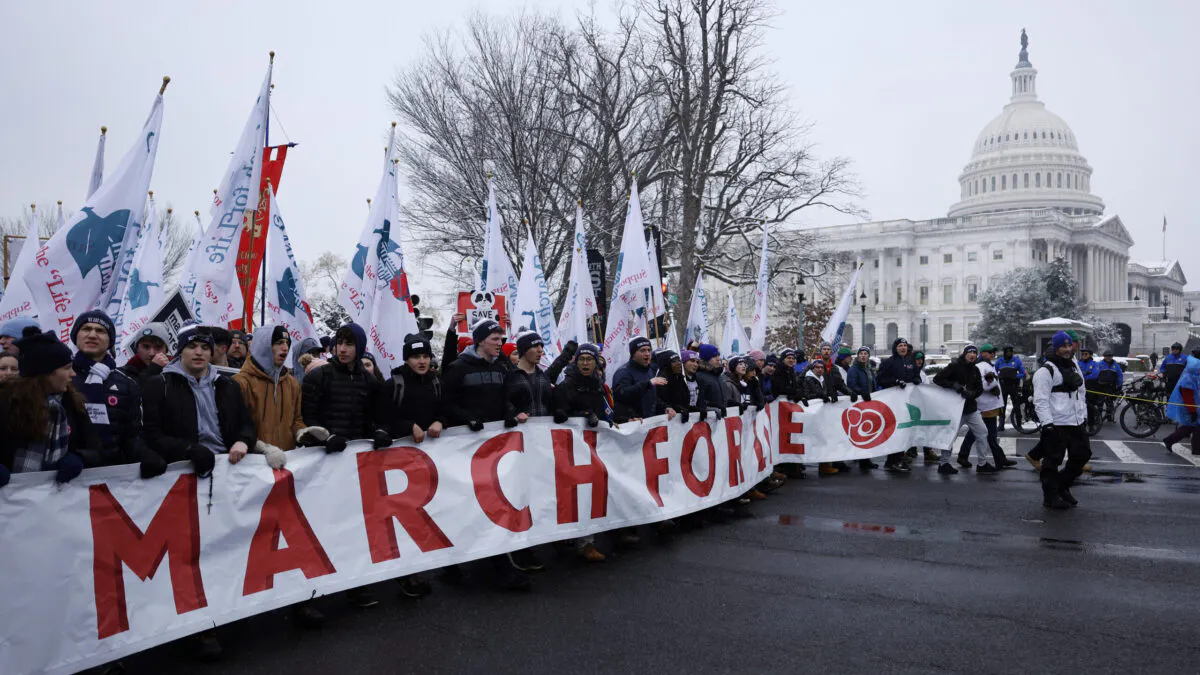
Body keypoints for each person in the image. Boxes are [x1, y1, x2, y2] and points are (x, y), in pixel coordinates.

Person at [138, 325, 257, 659]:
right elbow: (150, 434)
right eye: (192, 347)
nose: (200, 352)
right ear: (181, 351)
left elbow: (246, 423)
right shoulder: (159, 385)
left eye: (205, 347)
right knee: (191, 555)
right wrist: (187, 449)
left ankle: (227, 609)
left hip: (226, 473)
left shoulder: (227, 385)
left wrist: (243, 441)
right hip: (185, 477)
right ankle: (201, 626)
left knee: (227, 546)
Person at [233, 324, 331, 627]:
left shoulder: (292, 384)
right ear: (263, 345)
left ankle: (301, 600)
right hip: (252, 471)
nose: (284, 348)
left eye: (287, 343)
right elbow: (235, 428)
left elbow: (295, 421)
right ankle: (240, 608)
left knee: (293, 538)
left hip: (285, 469)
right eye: (277, 343)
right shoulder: (240, 382)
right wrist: (261, 448)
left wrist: (304, 433)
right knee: (251, 542)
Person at [443, 319, 533, 589]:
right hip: (465, 449)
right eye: (495, 338)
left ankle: (497, 564)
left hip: (494, 447)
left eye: (501, 339)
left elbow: (504, 398)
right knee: (467, 505)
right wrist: (467, 419)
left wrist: (509, 414)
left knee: (492, 503)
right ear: (480, 340)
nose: (500, 343)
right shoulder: (458, 368)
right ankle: (453, 565)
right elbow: (446, 402)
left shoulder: (501, 367)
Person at [374, 333, 445, 597]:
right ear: (407, 359)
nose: (422, 361)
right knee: (404, 518)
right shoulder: (394, 385)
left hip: (429, 462)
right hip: (398, 464)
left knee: (429, 515)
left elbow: (445, 409)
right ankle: (406, 574)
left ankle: (424, 567)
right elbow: (380, 420)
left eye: (425, 356)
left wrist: (441, 421)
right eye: (416, 357)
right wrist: (407, 427)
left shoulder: (436, 382)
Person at [0, 331, 100, 488]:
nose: (73, 374)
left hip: (55, 497)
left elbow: (94, 447)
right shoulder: (6, 402)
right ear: (46, 373)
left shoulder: (72, 403)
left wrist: (79, 458)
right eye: (67, 368)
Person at [552, 343, 612, 561]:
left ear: (596, 362)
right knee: (570, 494)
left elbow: (606, 413)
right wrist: (582, 415)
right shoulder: (566, 386)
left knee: (590, 493)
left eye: (589, 359)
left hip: (593, 449)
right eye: (582, 359)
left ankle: (587, 542)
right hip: (570, 450)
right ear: (576, 362)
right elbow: (558, 414)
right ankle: (562, 537)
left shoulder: (598, 385)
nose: (585, 363)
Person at [69, 310, 146, 467]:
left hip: (112, 473)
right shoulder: (59, 378)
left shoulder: (127, 384)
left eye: (100, 331)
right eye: (86, 329)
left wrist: (145, 457)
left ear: (110, 341)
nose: (92, 335)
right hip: (68, 472)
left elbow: (133, 437)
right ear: (76, 336)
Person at [1031, 331, 1091, 509]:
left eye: (1069, 345)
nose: (1067, 349)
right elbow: (1040, 400)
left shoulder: (1073, 365)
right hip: (1057, 422)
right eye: (1063, 346)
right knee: (1052, 461)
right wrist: (1047, 424)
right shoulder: (1046, 371)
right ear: (1055, 348)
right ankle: (1050, 497)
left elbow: (1081, 392)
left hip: (1076, 421)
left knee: (1082, 455)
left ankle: (1061, 486)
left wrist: (1083, 415)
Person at [958, 344, 1016, 472]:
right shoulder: (980, 366)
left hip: (989, 405)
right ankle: (998, 459)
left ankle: (964, 455)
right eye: (990, 352)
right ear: (983, 353)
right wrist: (993, 384)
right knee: (989, 434)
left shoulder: (987, 365)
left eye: (993, 352)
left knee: (978, 433)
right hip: (985, 405)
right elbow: (982, 385)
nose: (992, 354)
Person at [933, 345, 988, 475]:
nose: (972, 355)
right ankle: (944, 463)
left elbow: (980, 389)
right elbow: (937, 379)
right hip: (955, 409)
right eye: (970, 352)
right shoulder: (954, 366)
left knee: (982, 432)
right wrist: (953, 385)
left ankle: (982, 464)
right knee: (951, 436)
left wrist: (972, 394)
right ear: (964, 354)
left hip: (971, 409)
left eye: (974, 353)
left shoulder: (975, 370)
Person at [507, 332, 574, 424]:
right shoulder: (509, 377)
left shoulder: (544, 377)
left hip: (543, 430)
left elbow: (550, 404)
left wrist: (557, 412)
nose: (540, 350)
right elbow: (502, 403)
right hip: (520, 430)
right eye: (535, 346)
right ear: (524, 350)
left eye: (541, 346)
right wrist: (514, 414)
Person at [876, 337, 921, 471]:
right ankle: (892, 460)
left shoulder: (910, 362)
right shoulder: (888, 362)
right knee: (896, 431)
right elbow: (880, 379)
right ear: (895, 348)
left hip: (907, 402)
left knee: (904, 430)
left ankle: (899, 457)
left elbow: (916, 375)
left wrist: (917, 379)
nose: (903, 348)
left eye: (904, 346)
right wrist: (895, 382)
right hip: (893, 402)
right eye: (900, 346)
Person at [612, 336, 675, 423]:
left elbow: (652, 398)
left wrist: (665, 408)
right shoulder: (623, 372)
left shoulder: (649, 371)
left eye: (649, 350)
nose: (647, 353)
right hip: (631, 424)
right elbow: (622, 395)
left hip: (647, 424)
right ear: (633, 354)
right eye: (642, 350)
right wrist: (647, 384)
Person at [1163, 355, 1200, 456]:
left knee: (1191, 427)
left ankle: (1169, 440)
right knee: (1196, 427)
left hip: (1193, 406)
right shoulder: (1189, 379)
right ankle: (1197, 449)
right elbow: (1188, 398)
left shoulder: (1192, 376)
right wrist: (1192, 411)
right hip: (1189, 407)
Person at [119, 322, 171, 387]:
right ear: (137, 349)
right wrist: (153, 369)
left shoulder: (176, 365)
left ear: (166, 351)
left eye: (158, 347)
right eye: (146, 347)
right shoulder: (130, 367)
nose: (151, 353)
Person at [994, 346, 1027, 431]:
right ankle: (1001, 425)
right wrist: (999, 376)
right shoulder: (1000, 361)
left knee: (1016, 406)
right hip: (1003, 386)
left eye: (1010, 351)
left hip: (1013, 386)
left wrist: (1015, 376)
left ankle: (1019, 425)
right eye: (1007, 351)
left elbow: (1023, 373)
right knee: (1002, 406)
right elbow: (994, 372)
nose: (1009, 353)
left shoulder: (1016, 360)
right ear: (1004, 352)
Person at [1095, 350, 1124, 421]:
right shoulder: (1100, 364)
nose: (1108, 357)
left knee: (1110, 402)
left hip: (1111, 387)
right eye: (1107, 356)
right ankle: (1098, 417)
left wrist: (1119, 385)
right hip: (1101, 386)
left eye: (1110, 356)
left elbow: (1120, 375)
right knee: (1100, 402)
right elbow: (1095, 374)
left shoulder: (1116, 365)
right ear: (1104, 357)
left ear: (1112, 357)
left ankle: (1109, 416)